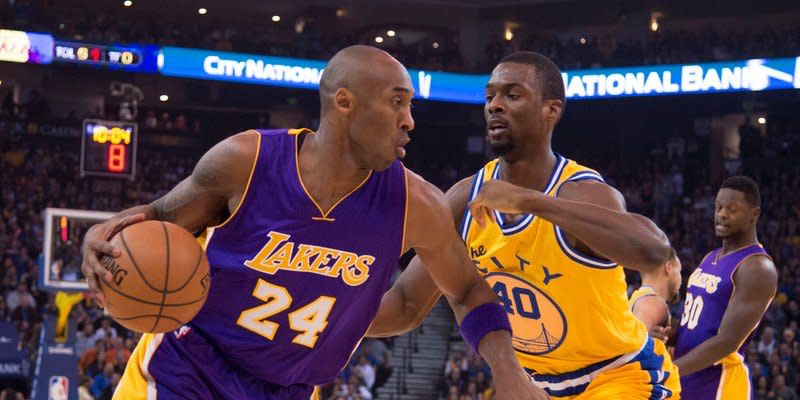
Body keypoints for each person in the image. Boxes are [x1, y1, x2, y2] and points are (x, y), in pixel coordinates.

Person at [80, 45, 543, 400]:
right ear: (345, 103)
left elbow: (460, 292)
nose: (409, 122)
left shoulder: (416, 204)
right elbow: (155, 221)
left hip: (295, 387)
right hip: (190, 366)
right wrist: (97, 239)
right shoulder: (246, 161)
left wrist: (507, 366)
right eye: (397, 103)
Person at [366, 51, 680, 399]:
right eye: (490, 96)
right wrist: (329, 317)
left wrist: (529, 201)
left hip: (618, 376)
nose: (494, 106)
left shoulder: (581, 192)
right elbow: (407, 303)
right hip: (535, 384)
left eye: (511, 95)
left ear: (551, 110)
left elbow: (654, 252)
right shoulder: (463, 198)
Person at [674, 176, 777, 400]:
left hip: (720, 385)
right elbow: (695, 324)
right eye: (719, 207)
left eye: (732, 209)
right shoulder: (710, 257)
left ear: (754, 214)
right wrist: (668, 332)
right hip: (686, 378)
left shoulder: (757, 266)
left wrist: (669, 371)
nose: (722, 214)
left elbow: (727, 342)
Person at [629, 248, 682, 334]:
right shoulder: (652, 303)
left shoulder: (640, 298)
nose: (681, 279)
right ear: (668, 267)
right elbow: (637, 346)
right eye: (679, 271)